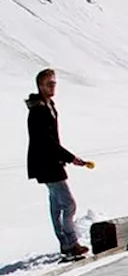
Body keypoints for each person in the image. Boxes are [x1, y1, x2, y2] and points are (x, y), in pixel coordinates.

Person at [25, 68, 91, 259]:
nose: (53, 86)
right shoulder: (38, 110)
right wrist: (71, 157)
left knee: (57, 204)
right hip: (46, 163)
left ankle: (66, 244)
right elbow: (47, 141)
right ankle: (71, 242)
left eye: (54, 83)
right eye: (49, 83)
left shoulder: (49, 106)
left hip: (51, 161)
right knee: (68, 203)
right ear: (40, 86)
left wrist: (64, 157)